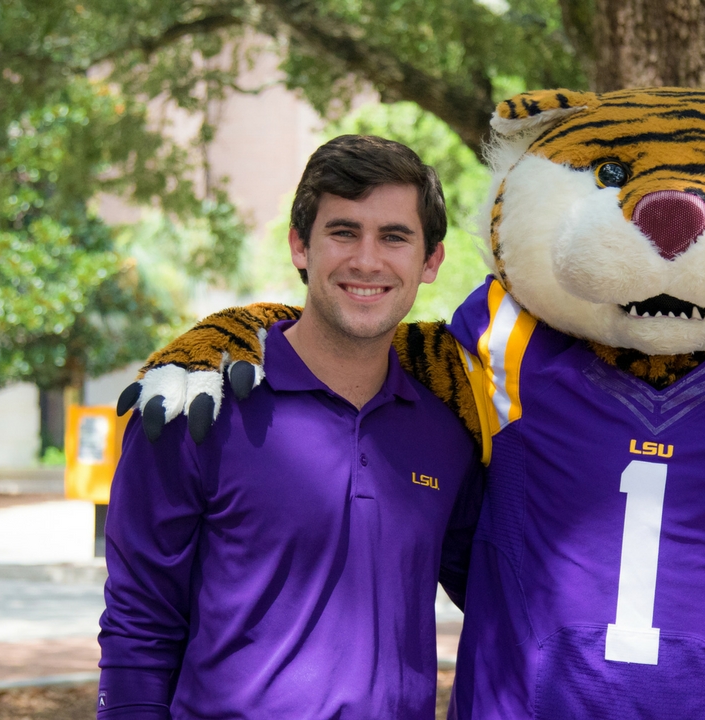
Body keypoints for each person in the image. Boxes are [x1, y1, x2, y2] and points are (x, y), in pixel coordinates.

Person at [97, 135, 483, 719]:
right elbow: (138, 623)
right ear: (300, 246)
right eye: (343, 231)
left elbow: (504, 597)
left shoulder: (447, 435)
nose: (367, 260)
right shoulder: (198, 413)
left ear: (431, 262)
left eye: (395, 237)